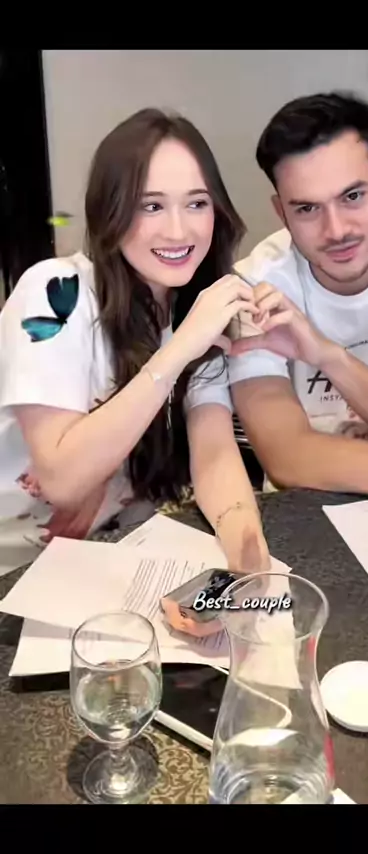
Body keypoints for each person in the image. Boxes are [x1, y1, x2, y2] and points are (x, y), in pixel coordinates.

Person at [0, 108, 269, 586]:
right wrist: (178, 350)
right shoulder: (57, 293)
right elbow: (62, 481)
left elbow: (213, 453)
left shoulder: (195, 309)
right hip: (14, 571)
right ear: (111, 212)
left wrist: (247, 557)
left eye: (197, 203)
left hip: (116, 560)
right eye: (151, 206)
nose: (178, 231)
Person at [194, 91, 368, 498]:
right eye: (307, 209)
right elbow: (287, 458)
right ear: (282, 213)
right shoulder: (253, 287)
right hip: (308, 509)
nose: (336, 230)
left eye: (353, 197)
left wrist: (330, 358)